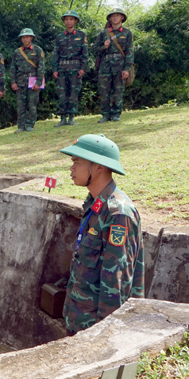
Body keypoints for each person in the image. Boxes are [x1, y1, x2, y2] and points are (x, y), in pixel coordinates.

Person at [59, 134, 144, 335]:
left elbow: (117, 282)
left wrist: (104, 335)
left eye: (77, 162)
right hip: (80, 321)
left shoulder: (118, 213)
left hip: (96, 330)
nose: (71, 169)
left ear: (99, 167)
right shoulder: (95, 204)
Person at [94, 9, 134, 123]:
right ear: (110, 19)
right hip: (105, 65)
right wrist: (104, 47)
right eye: (113, 16)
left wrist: (127, 68)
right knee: (104, 91)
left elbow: (129, 52)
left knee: (118, 90)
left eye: (118, 16)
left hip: (119, 65)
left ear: (122, 18)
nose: (115, 18)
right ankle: (105, 115)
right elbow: (95, 50)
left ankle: (116, 114)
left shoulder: (127, 33)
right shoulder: (103, 33)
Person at [52, 10, 88, 127]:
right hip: (62, 68)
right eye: (66, 19)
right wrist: (55, 69)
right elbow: (56, 54)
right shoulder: (60, 37)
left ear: (75, 21)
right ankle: (63, 118)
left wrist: (82, 68)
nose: (68, 21)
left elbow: (84, 54)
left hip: (75, 68)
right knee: (62, 93)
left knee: (73, 93)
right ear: (64, 21)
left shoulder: (81, 35)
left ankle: (71, 117)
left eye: (71, 19)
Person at [9, 28, 45, 133]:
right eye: (24, 37)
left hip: (33, 80)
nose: (25, 39)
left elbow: (41, 67)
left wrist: (39, 82)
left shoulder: (38, 50)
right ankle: (21, 125)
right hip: (20, 81)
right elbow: (13, 68)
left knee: (32, 104)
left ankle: (30, 124)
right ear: (21, 39)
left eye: (27, 37)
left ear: (31, 38)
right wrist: (13, 82)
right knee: (20, 105)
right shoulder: (17, 52)